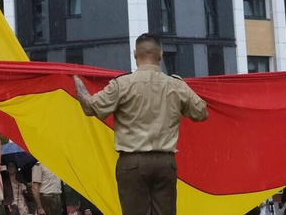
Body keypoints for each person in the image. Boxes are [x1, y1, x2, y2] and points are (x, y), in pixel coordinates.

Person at [73, 34, 207, 215]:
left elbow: (90, 108)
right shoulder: (176, 85)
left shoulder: (122, 84)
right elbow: (201, 113)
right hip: (164, 163)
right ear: (160, 55)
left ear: (135, 54)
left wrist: (76, 79)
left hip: (132, 163)